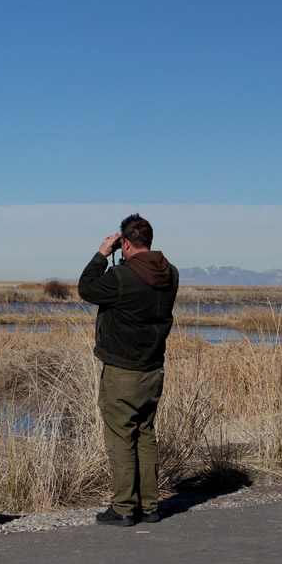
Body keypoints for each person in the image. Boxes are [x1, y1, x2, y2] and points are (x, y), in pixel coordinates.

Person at [78, 213, 179, 526]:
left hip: (122, 370)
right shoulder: (171, 273)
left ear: (125, 242)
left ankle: (123, 507)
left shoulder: (122, 277)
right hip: (153, 369)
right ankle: (149, 507)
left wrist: (101, 255)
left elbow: (87, 288)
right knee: (145, 434)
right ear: (148, 241)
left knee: (121, 437)